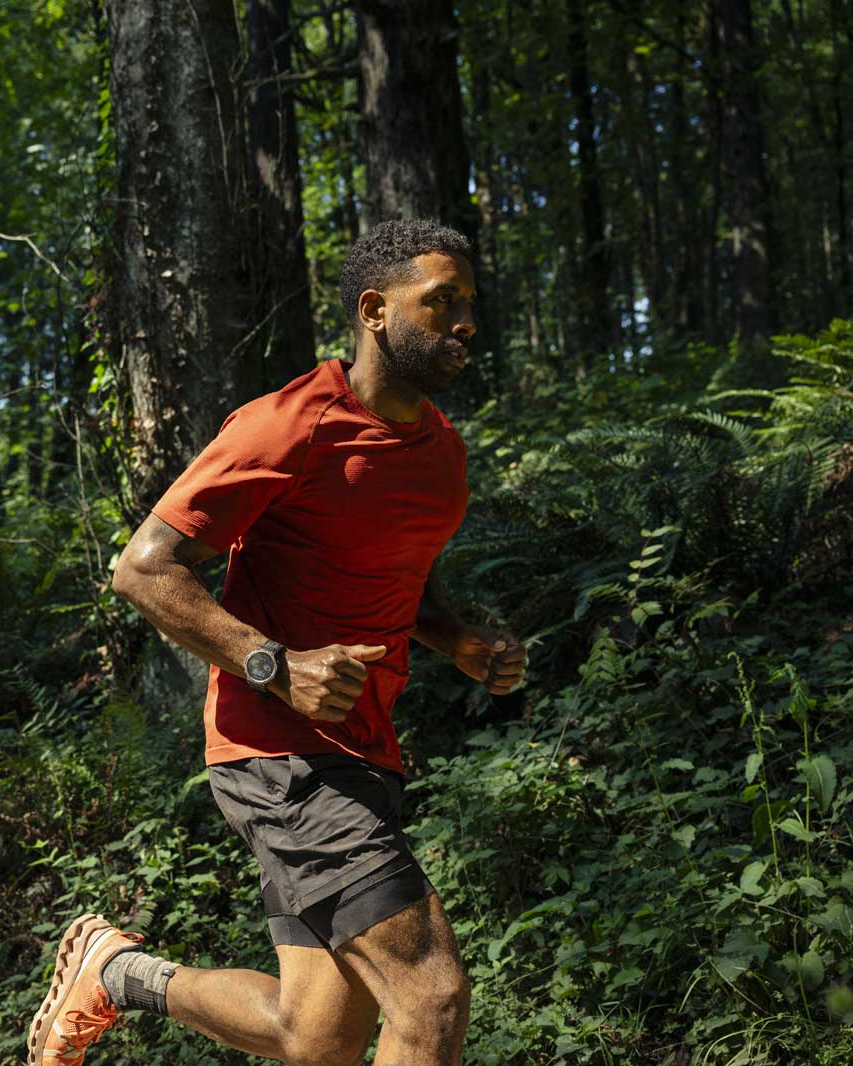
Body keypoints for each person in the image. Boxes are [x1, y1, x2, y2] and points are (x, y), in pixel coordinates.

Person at [26, 219, 527, 1066]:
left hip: (366, 751)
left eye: (470, 303)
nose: (466, 322)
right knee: (430, 997)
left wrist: (458, 640)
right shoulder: (290, 423)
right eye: (442, 302)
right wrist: (275, 666)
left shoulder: (440, 453)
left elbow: (399, 579)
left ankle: (115, 973)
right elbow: (143, 569)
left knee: (314, 1036)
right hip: (280, 755)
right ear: (375, 309)